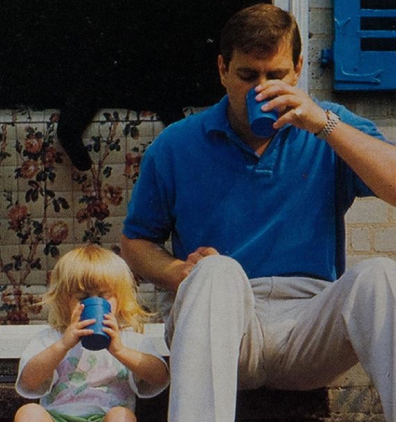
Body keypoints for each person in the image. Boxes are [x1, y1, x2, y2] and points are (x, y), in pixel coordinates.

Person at [121, 4, 396, 422]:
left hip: (309, 325)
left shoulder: (330, 126)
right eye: (248, 75)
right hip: (222, 324)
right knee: (217, 272)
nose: (262, 90)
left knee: (381, 275)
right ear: (222, 70)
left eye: (277, 75)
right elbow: (135, 242)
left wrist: (323, 124)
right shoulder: (176, 146)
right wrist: (180, 273)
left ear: (299, 69)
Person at [14, 245, 169, 422]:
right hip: (57, 415)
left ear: (120, 298)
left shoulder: (129, 339)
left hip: (105, 415)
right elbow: (29, 381)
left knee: (121, 416)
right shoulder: (52, 337)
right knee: (28, 412)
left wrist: (120, 351)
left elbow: (160, 377)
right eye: (83, 297)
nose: (94, 303)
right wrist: (63, 345)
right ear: (65, 301)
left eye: (104, 297)